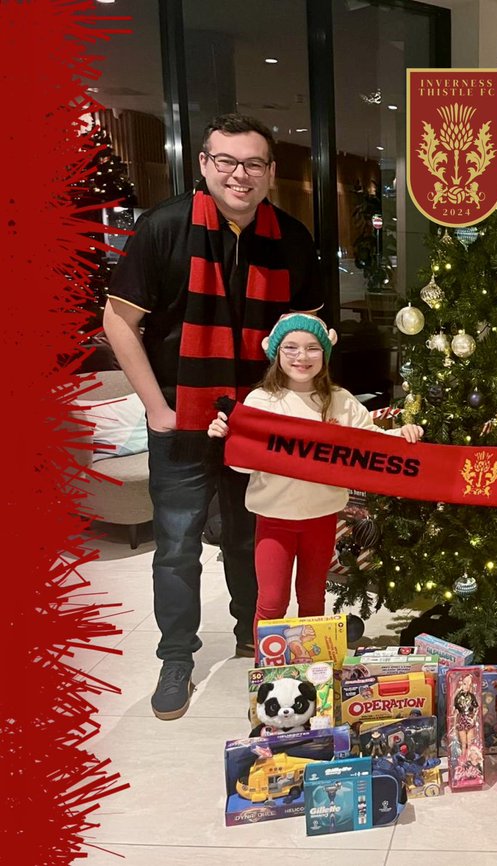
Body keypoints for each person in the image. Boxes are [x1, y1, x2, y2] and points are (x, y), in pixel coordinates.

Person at [103, 114, 324, 721]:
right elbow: (118, 322)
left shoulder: (293, 238)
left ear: (271, 173)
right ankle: (177, 656)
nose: (239, 175)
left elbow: (309, 338)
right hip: (182, 414)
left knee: (252, 537)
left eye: (253, 163)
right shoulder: (165, 226)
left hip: (259, 421)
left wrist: (305, 411)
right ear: (204, 164)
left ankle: (255, 633)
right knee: (176, 544)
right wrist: (157, 407)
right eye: (226, 161)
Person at [207, 313, 423, 635]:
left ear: (325, 353)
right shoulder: (261, 401)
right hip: (274, 519)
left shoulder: (340, 402)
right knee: (271, 602)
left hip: (322, 517)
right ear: (276, 353)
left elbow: (370, 444)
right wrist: (227, 439)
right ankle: (269, 679)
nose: (302, 356)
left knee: (312, 599)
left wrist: (402, 436)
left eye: (312, 348)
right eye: (291, 347)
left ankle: (314, 674)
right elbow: (242, 464)